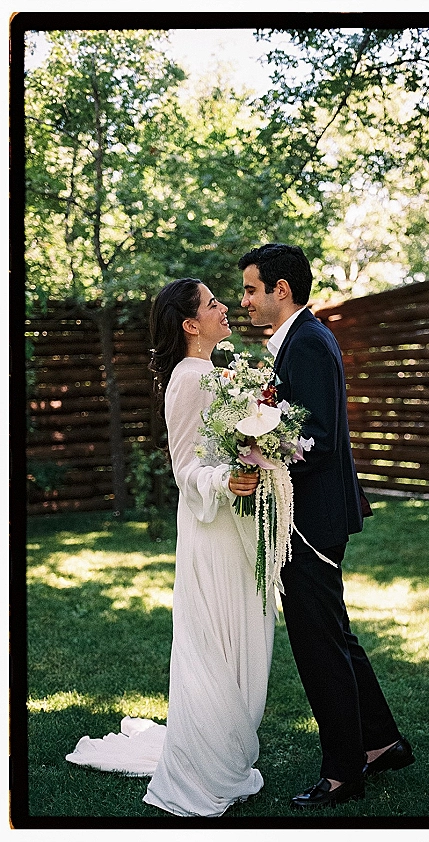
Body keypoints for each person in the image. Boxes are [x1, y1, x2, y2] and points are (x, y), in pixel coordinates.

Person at [65, 278, 276, 817]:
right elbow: (186, 469)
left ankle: (225, 747)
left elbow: (233, 442)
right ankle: (206, 765)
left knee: (243, 637)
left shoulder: (216, 372)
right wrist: (227, 480)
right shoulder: (187, 379)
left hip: (238, 524)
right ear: (190, 324)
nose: (225, 307)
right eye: (212, 304)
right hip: (211, 526)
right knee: (214, 641)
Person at [238, 243, 415, 810]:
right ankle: (383, 743)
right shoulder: (298, 342)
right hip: (311, 511)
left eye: (250, 289)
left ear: (280, 290)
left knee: (318, 645)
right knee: (334, 633)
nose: (244, 300)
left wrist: (255, 446)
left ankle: (343, 771)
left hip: (311, 518)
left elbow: (314, 440)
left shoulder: (309, 345)